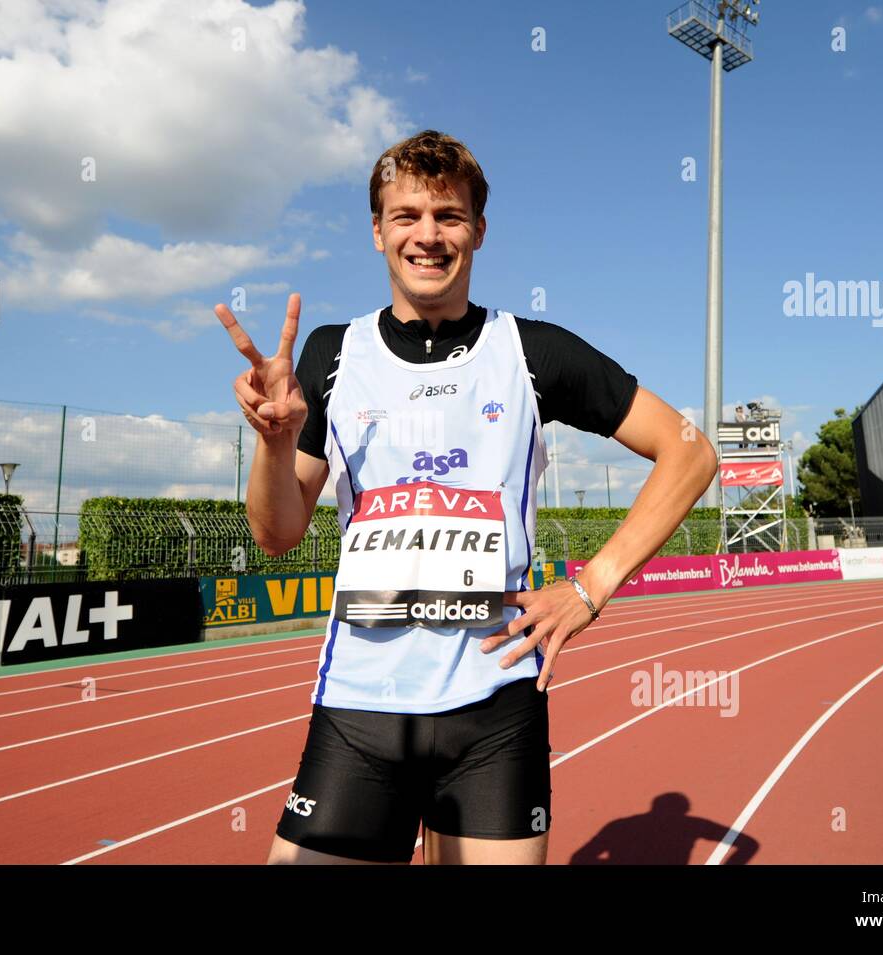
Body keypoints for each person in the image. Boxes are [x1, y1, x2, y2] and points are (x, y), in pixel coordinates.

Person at [216, 129, 716, 865]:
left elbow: (691, 448)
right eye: (407, 215)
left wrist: (590, 587)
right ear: (379, 230)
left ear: (479, 231)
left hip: (495, 713)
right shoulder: (331, 353)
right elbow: (275, 534)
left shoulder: (531, 351)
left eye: (448, 216)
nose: (428, 235)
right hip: (361, 707)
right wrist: (274, 441)